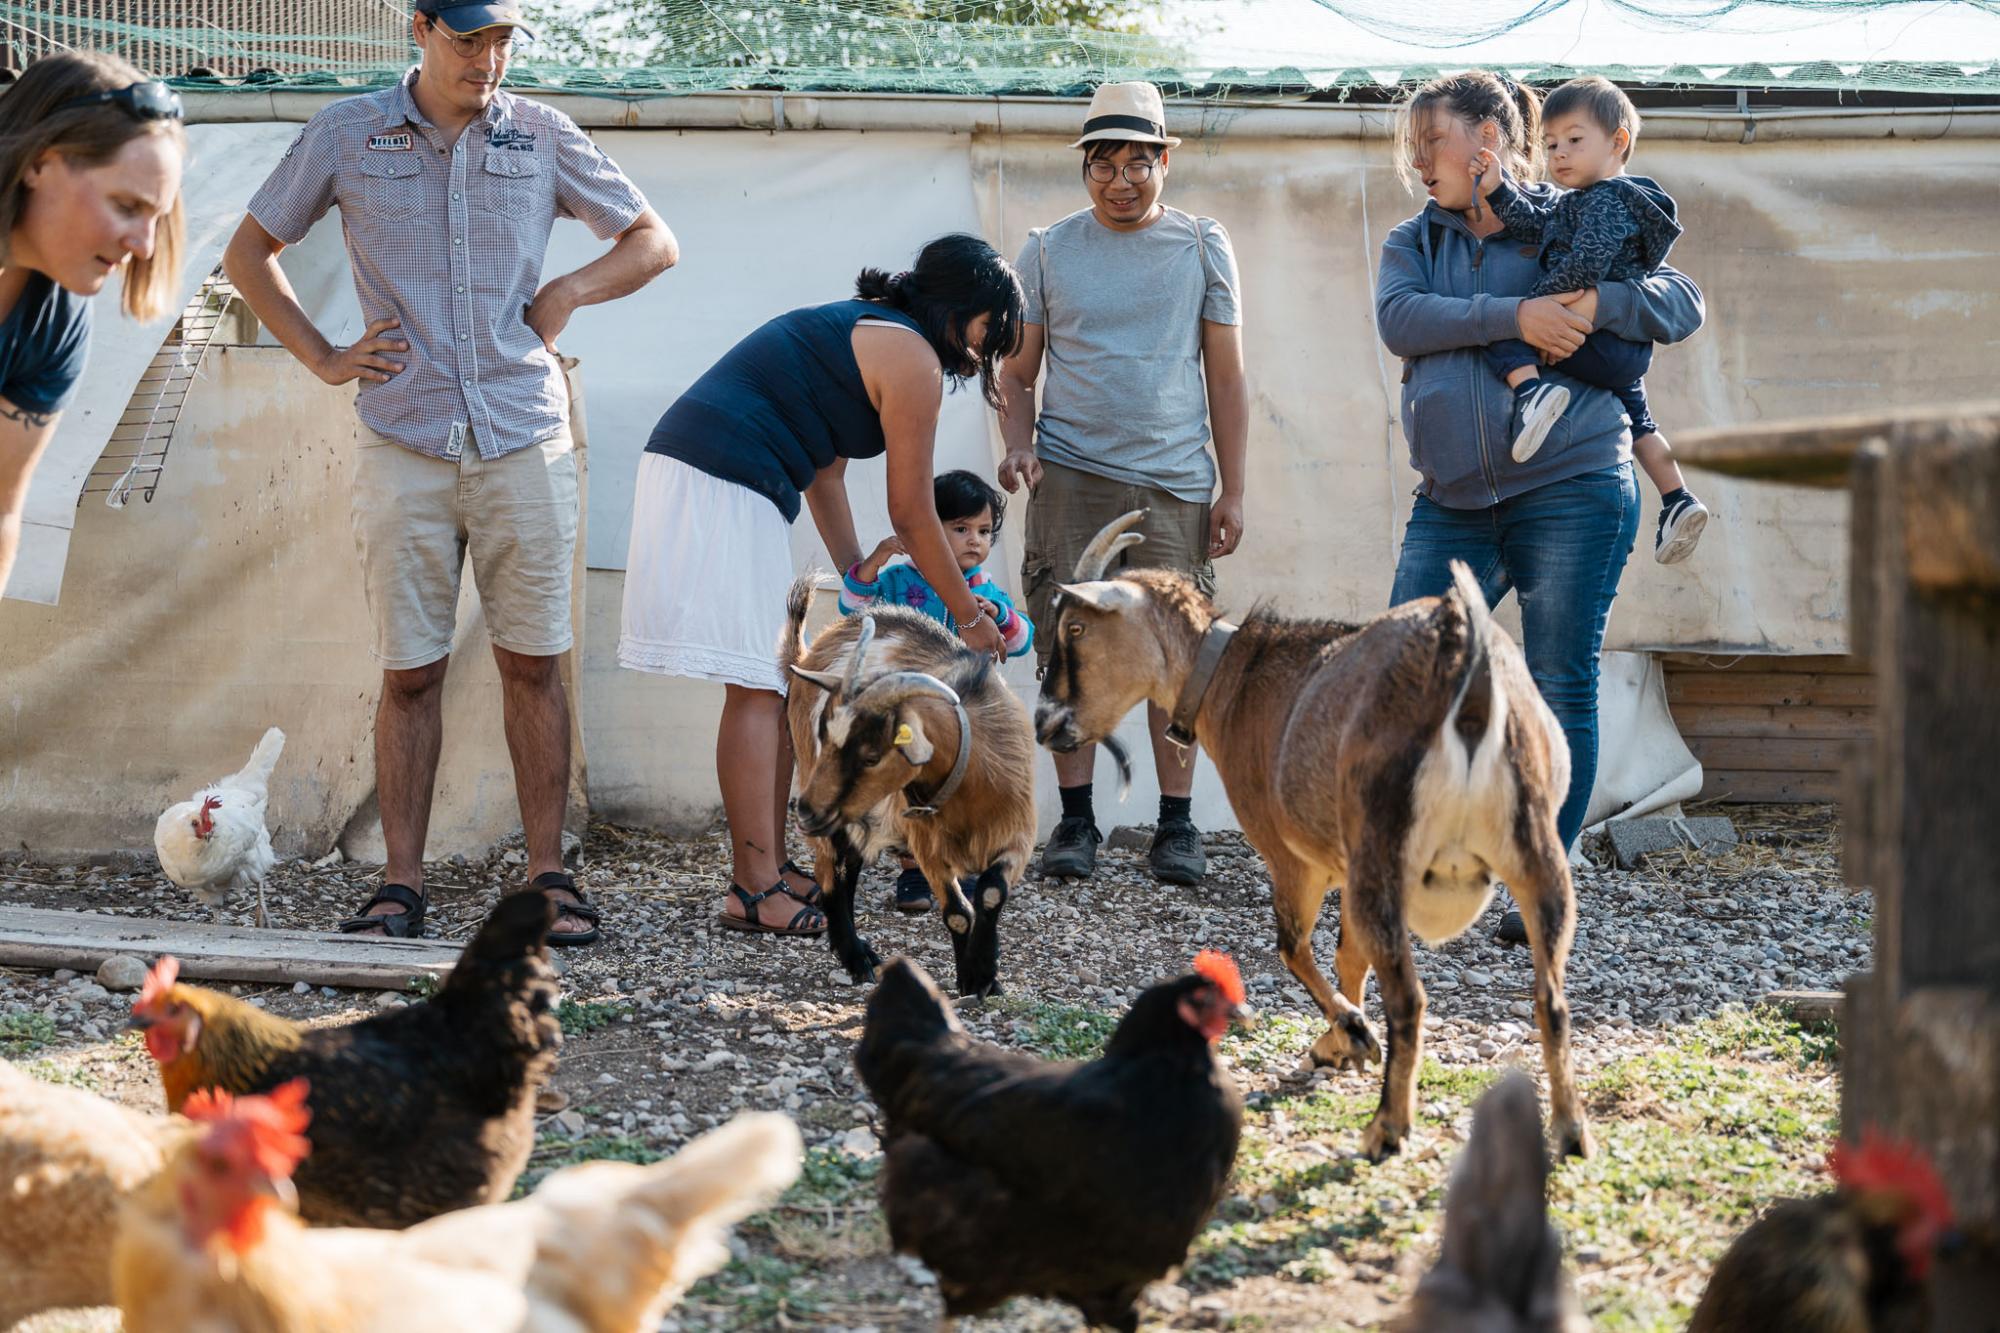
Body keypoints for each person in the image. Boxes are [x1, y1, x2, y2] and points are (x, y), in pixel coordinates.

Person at [223, 0, 677, 944]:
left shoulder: (542, 134)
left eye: (503, 39)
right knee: (410, 673)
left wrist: (567, 290)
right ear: (419, 28)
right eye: (469, 38)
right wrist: (322, 354)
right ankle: (400, 884)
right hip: (404, 438)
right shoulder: (346, 132)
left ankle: (548, 876)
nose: (488, 58)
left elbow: (651, 241)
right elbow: (247, 252)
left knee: (534, 662)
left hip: (523, 436)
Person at [1376, 69, 1704, 943]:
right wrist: (1515, 315)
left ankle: (1544, 884)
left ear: (1486, 144)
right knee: (1412, 675)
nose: (1416, 163)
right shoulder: (1413, 242)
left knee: (1561, 681)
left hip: (1571, 487)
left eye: (1428, 144)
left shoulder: (1570, 209)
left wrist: (1602, 301)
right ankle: (1426, 860)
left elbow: (1681, 300)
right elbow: (1403, 320)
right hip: (1450, 500)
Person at [618, 234, 1023, 937]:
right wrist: (968, 616)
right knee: (758, 684)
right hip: (722, 473)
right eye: (992, 330)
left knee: (771, 683)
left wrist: (858, 576)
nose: (988, 350)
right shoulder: (913, 357)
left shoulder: (866, 329)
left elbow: (826, 469)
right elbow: (913, 512)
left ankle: (769, 869)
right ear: (964, 305)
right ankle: (751, 887)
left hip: (714, 469)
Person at [996, 80, 1248, 889]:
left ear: (1165, 161)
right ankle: (1077, 824)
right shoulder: (1045, 251)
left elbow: (1228, 378)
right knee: (1074, 652)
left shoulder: (1204, 246)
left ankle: (1175, 828)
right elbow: (1017, 372)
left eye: (1139, 162)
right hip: (1071, 475)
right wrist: (1017, 445)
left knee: (1179, 658)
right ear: (1084, 168)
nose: (1121, 180)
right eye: (1103, 164)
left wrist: (1232, 489)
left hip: (1175, 479)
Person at [1472, 75, 1712, 564]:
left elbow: (1588, 261)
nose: (1559, 154)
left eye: (1574, 141)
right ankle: (1677, 499)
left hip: (1594, 340)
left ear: (1618, 142)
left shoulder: (1606, 199)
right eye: (1552, 144)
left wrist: (1538, 308)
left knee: (1503, 330)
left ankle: (1531, 393)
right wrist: (1500, 191)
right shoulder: (1586, 201)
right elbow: (1539, 226)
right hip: (1623, 349)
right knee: (1641, 422)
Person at [0, 53, 186, 599]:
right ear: (39, 162)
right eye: (126, 205)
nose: (145, 246)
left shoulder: (54, 323)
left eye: (157, 217)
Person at [840, 467, 1035, 913]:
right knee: (915, 787)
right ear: (928, 528)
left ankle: (960, 864)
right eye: (961, 528)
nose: (975, 540)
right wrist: (873, 563)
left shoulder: (984, 590)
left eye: (984, 531)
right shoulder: (899, 582)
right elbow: (851, 609)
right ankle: (915, 871)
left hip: (969, 720)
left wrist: (999, 617)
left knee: (965, 790)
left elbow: (1023, 641)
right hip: (910, 711)